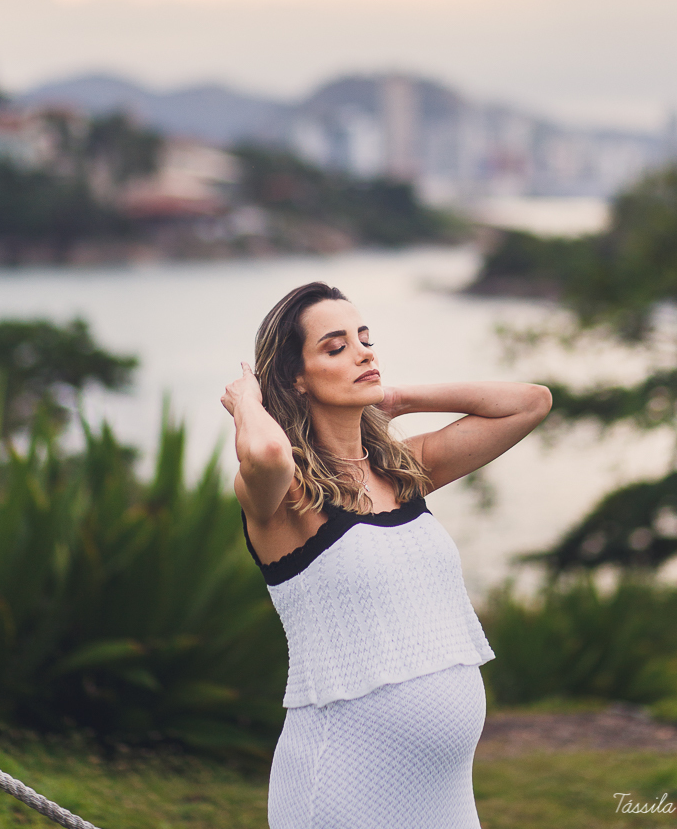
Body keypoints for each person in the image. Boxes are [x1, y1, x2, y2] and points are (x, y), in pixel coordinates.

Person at [221, 281, 552, 829]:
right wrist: (248, 400)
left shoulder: (403, 471)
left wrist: (396, 398)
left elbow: (530, 402)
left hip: (444, 794)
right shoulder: (288, 499)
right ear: (296, 379)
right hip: (343, 786)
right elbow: (267, 450)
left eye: (364, 339)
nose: (362, 352)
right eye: (335, 347)